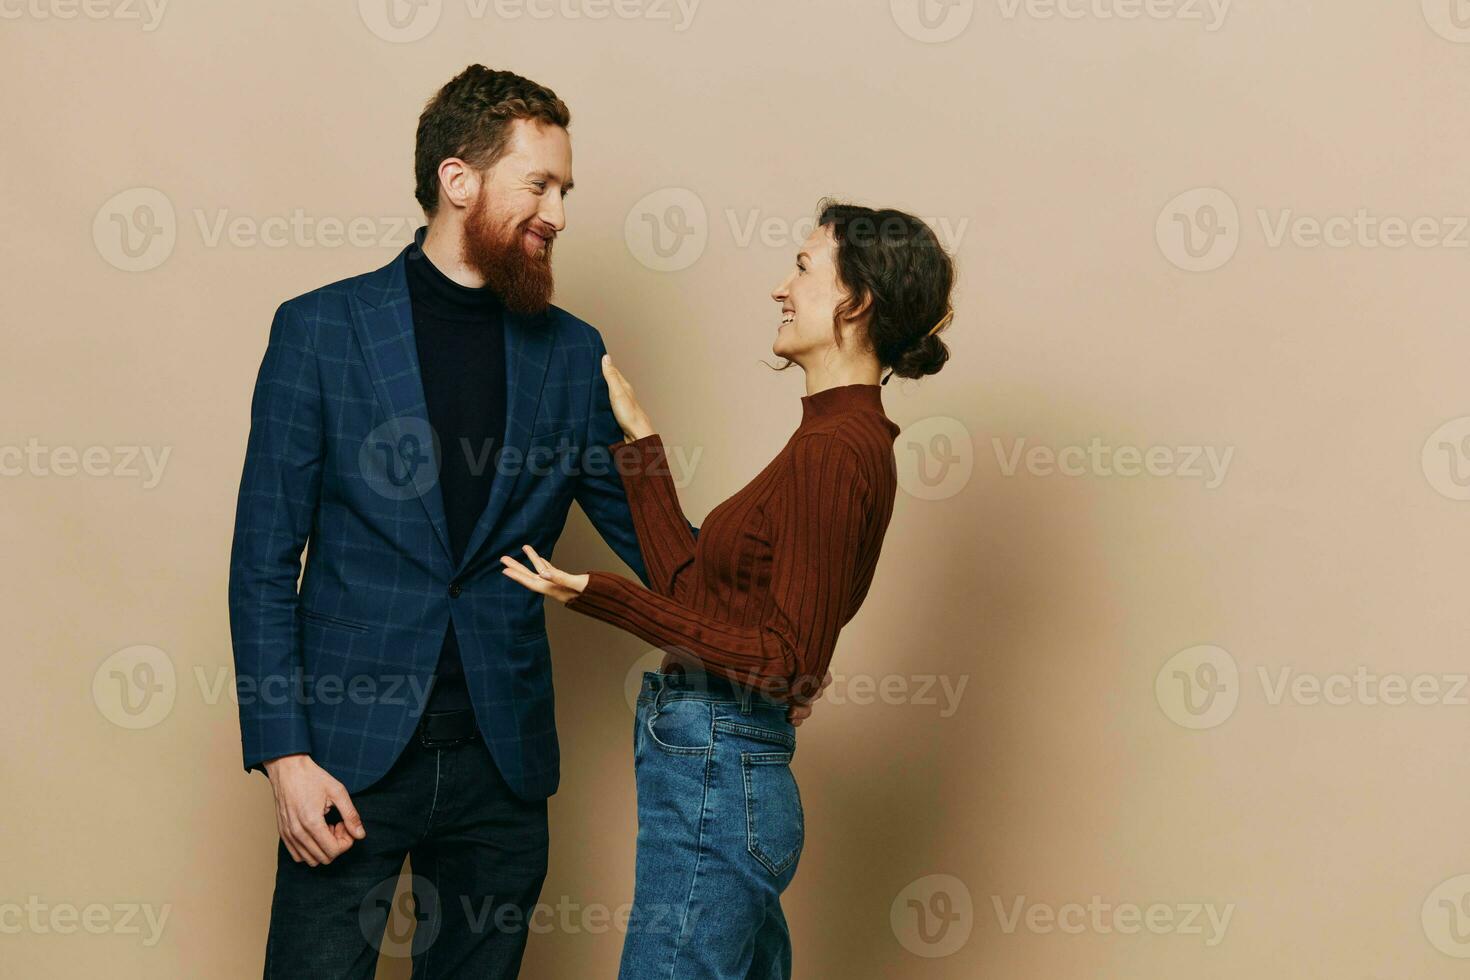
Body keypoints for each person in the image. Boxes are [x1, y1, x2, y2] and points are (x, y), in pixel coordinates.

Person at [229, 64, 729, 977]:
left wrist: (769, 635)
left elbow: (667, 561)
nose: (560, 213)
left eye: (566, 190)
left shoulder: (571, 353)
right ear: (458, 181)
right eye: (539, 185)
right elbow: (263, 562)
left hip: (502, 770)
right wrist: (286, 757)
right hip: (344, 762)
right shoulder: (319, 331)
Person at [500, 199, 956, 979]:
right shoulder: (831, 439)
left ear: (859, 300)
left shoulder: (837, 451)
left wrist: (603, 596)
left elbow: (786, 660)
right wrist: (641, 444)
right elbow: (699, 593)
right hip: (720, 764)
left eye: (805, 268)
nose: (781, 287)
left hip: (719, 766)